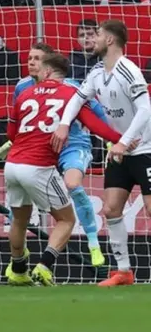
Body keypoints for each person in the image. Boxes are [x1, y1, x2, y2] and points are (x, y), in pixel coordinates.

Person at [4, 52, 121, 287]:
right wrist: (121, 140)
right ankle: (44, 267)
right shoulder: (71, 94)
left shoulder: (24, 93)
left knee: (19, 220)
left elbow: (11, 134)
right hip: (38, 166)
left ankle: (18, 270)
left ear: (47, 71)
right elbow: (94, 124)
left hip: (12, 164)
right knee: (66, 220)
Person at [52, 19, 151, 287]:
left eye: (97, 35)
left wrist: (123, 141)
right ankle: (123, 272)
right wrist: (64, 124)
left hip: (146, 150)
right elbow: (77, 98)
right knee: (110, 209)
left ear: (109, 40)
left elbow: (146, 109)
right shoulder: (97, 72)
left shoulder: (129, 71)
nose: (92, 39)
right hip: (122, 153)